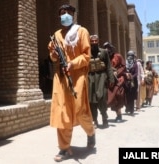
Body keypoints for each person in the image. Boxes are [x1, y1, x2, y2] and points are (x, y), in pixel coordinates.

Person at [48, 4, 95, 162]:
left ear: (73, 15)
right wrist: (54, 54)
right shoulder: (56, 35)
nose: (65, 15)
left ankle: (90, 132)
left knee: (80, 109)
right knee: (62, 113)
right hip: (61, 78)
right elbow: (52, 56)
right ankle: (64, 148)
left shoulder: (82, 32)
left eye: (68, 12)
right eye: (62, 13)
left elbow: (86, 56)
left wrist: (72, 64)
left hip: (78, 76)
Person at [88, 35, 115, 128]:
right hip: (91, 77)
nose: (94, 42)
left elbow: (108, 66)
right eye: (92, 41)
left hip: (101, 77)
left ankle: (104, 118)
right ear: (90, 42)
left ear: (98, 41)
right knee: (92, 100)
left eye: (96, 41)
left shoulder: (104, 52)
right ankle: (95, 120)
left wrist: (111, 78)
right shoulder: (86, 53)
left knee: (102, 98)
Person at [103, 42, 127, 122]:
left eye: (108, 47)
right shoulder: (104, 57)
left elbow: (123, 66)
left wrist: (117, 72)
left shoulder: (118, 56)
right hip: (109, 80)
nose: (107, 49)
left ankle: (119, 115)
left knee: (118, 95)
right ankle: (104, 115)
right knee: (107, 97)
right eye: (105, 47)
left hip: (119, 79)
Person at [125, 50, 138, 115]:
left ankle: (132, 110)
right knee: (127, 95)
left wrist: (131, 76)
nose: (130, 57)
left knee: (132, 96)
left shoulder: (135, 64)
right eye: (129, 56)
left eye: (131, 56)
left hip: (133, 82)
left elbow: (136, 73)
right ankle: (127, 108)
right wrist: (126, 75)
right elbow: (124, 71)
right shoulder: (125, 63)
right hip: (126, 82)